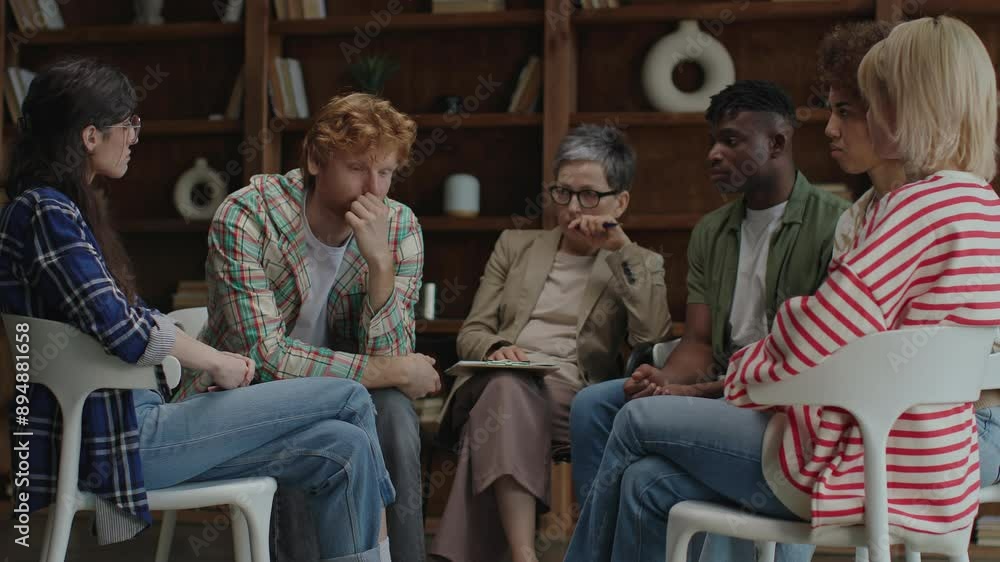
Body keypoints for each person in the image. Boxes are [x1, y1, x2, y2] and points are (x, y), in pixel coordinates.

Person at [564, 15, 1000, 561]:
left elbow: (819, 337)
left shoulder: (913, 207)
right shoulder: (981, 204)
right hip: (925, 456)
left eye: (875, 101)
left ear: (916, 106)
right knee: (646, 481)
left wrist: (757, 358)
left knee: (633, 419)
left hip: (868, 459)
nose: (853, 120)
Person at [0, 58, 394, 562]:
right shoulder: (44, 211)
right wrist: (216, 361)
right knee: (351, 396)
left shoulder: (62, 210)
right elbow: (123, 328)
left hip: (136, 424)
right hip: (122, 440)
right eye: (128, 124)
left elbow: (124, 318)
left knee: (344, 449)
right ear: (90, 135)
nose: (134, 137)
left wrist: (193, 366)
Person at [568, 80, 848, 561]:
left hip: (781, 398)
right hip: (719, 384)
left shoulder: (836, 224)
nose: (714, 154)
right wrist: (665, 379)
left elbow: (814, 360)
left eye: (731, 140)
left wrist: (693, 392)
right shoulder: (711, 231)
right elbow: (698, 341)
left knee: (640, 448)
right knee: (592, 405)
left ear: (777, 143)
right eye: (713, 141)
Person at [172, 92, 438, 562]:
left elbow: (392, 357)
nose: (374, 189)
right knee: (306, 416)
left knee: (395, 413)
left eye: (385, 173)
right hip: (246, 398)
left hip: (348, 397)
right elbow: (266, 360)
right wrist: (394, 371)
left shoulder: (399, 227)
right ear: (316, 159)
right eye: (357, 168)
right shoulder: (249, 215)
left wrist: (380, 265)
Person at [428, 124, 671, 562]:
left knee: (497, 413)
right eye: (563, 192)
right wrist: (496, 348)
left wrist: (620, 250)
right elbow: (473, 331)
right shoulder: (515, 246)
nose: (573, 207)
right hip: (503, 377)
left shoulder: (639, 263)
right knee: (506, 389)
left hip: (574, 395)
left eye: (589, 195)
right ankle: (525, 554)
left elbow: (651, 338)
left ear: (620, 202)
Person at [818, 19, 1000, 489]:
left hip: (957, 426)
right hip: (889, 416)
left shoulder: (960, 212)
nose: (829, 129)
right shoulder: (855, 220)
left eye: (847, 111)